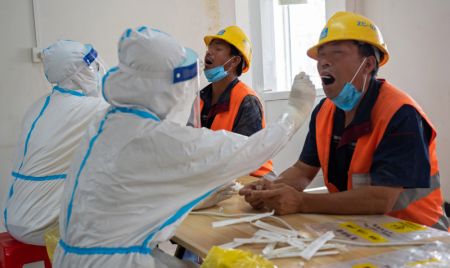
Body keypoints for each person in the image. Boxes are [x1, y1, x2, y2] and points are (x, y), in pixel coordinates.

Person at [52, 26, 315, 267]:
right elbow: (243, 149)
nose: (209, 54)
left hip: (81, 255)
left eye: (218, 48)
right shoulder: (154, 135)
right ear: (166, 87)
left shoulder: (107, 120)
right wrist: (293, 115)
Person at [240, 11, 450, 231]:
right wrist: (271, 189)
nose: (323, 63)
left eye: (336, 54)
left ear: (368, 64)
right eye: (320, 56)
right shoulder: (324, 112)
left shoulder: (401, 114)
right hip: (363, 230)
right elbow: (303, 171)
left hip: (419, 237)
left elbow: (381, 198)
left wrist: (301, 202)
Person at [2, 40, 109, 245]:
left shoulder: (39, 105)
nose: (96, 71)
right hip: (41, 225)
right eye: (91, 66)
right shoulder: (90, 109)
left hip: (15, 217)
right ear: (78, 73)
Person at [195, 25, 275, 180]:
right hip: (219, 176)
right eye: (209, 49)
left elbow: (244, 158)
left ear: (234, 62)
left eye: (217, 49)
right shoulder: (201, 98)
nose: (209, 52)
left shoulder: (247, 100)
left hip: (255, 179)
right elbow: (190, 143)